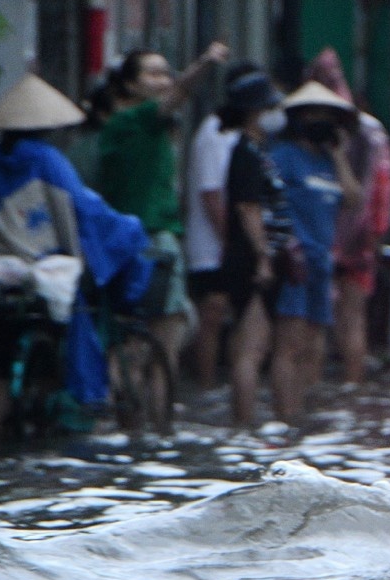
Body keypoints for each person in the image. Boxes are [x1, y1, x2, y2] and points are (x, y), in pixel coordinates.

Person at [0, 73, 151, 431]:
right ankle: (86, 403)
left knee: (2, 365)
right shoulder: (48, 160)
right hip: (47, 273)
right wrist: (127, 230)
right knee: (69, 335)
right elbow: (81, 211)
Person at [93, 40, 227, 397]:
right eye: (153, 73)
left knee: (130, 343)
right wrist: (206, 61)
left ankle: (131, 425)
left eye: (165, 72)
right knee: (163, 343)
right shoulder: (138, 121)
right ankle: (155, 433)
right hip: (154, 242)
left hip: (120, 245)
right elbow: (180, 93)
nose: (164, 80)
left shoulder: (116, 129)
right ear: (130, 85)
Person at [264, 80, 362, 426]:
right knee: (289, 340)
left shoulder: (327, 162)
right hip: (295, 260)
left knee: (315, 339)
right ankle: (285, 412)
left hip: (322, 260)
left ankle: (303, 409)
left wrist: (338, 156)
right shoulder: (283, 157)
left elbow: (353, 199)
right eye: (315, 114)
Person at [305, 51, 390, 384]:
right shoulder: (367, 129)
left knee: (316, 324)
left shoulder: (308, 125)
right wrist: (376, 230)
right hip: (353, 240)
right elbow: (383, 186)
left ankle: (323, 393)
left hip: (323, 238)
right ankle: (349, 390)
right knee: (346, 319)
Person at [218, 70, 290, 428]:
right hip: (250, 261)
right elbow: (247, 208)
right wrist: (262, 256)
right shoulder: (244, 153)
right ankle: (243, 425)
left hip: (261, 257)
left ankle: (247, 421)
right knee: (251, 347)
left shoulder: (258, 151)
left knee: (256, 345)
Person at [184, 61, 256, 389]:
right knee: (212, 313)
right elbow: (211, 193)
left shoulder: (246, 137)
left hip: (234, 242)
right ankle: (206, 382)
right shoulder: (215, 132)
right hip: (212, 244)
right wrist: (230, 238)